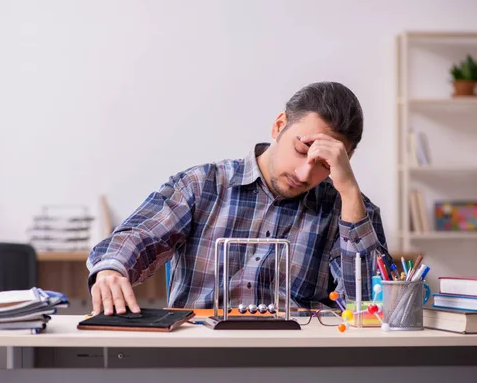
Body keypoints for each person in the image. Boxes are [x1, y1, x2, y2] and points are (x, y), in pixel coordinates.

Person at [87, 81, 390, 316]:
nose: (303, 173)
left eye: (324, 164)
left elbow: (367, 307)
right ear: (279, 126)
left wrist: (349, 192)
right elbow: (140, 234)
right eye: (302, 150)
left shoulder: (349, 210)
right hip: (200, 358)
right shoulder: (203, 185)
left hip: (298, 362)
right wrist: (112, 268)